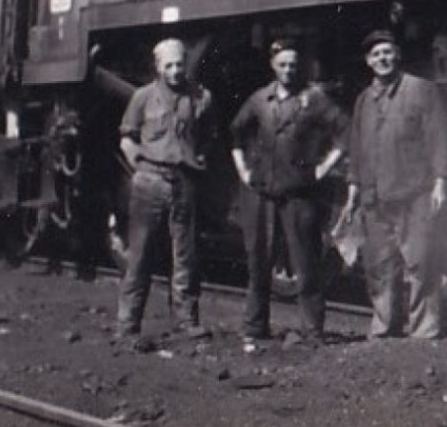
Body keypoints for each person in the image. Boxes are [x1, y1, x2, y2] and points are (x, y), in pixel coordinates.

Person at [230, 40, 349, 345]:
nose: (288, 70)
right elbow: (236, 132)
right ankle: (255, 327)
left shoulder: (315, 99)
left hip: (299, 193)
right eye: (282, 64)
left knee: (306, 263)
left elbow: (345, 133)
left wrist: (321, 169)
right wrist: (243, 170)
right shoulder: (259, 100)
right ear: (273, 65)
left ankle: (312, 331)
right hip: (261, 193)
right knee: (259, 261)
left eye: (293, 65)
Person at [345, 29, 447, 339]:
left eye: (388, 52)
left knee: (420, 263)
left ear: (398, 55)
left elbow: (439, 138)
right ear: (368, 61)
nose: (383, 59)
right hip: (373, 196)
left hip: (413, 192)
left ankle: (424, 331)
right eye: (376, 54)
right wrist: (352, 188)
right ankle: (383, 328)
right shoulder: (364, 100)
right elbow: (356, 147)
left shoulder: (422, 90)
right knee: (379, 266)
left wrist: (441, 182)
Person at [116, 38, 215, 343]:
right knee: (140, 256)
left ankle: (185, 321)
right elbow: (127, 138)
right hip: (150, 181)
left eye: (179, 64)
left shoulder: (201, 97)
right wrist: (140, 169)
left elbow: (208, 136)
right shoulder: (143, 97)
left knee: (184, 256)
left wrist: (200, 158)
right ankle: (127, 325)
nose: (175, 71)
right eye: (168, 65)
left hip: (184, 182)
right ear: (158, 67)